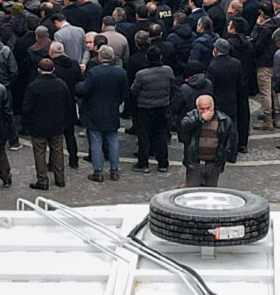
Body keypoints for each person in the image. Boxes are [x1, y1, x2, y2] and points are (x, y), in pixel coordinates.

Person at [19, 55, 76, 190]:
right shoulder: (61, 84)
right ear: (53, 69)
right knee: (58, 151)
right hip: (57, 124)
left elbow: (27, 108)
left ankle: (42, 180)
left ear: (39, 70)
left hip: (38, 125)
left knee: (39, 152)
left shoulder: (34, 86)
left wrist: (26, 123)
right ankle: (60, 178)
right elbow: (68, 104)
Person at [79, 46, 128, 180]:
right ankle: (114, 170)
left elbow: (83, 89)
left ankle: (98, 172)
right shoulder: (121, 73)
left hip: (95, 111)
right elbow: (124, 93)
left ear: (100, 57)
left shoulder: (94, 72)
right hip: (112, 110)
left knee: (96, 142)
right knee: (113, 141)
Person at [130, 48, 176, 171]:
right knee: (161, 135)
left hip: (145, 108)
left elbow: (134, 91)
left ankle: (143, 163)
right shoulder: (168, 71)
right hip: (162, 107)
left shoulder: (141, 74)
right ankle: (163, 163)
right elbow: (172, 86)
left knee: (144, 136)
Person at [180, 92, 231, 187]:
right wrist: (200, 118)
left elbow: (229, 141)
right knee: (192, 192)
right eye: (202, 109)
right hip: (196, 163)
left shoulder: (224, 120)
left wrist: (224, 157)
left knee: (211, 193)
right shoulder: (192, 116)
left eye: (208, 108)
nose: (206, 111)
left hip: (213, 164)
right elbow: (184, 126)